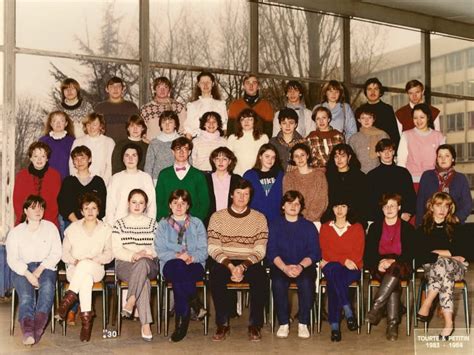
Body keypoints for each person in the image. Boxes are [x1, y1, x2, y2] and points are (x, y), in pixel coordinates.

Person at [207, 178, 268, 342]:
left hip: (249, 261)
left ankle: (255, 325)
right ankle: (222, 324)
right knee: (215, 276)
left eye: (246, 194)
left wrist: (243, 266)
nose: (242, 197)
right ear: (231, 195)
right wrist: (230, 266)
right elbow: (213, 247)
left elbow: (260, 249)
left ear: (250, 197)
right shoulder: (217, 217)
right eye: (238, 193)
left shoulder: (259, 218)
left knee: (261, 277)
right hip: (225, 261)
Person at [56, 192, 113, 342]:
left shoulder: (106, 229)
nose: (90, 211)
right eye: (86, 208)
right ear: (81, 211)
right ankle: (86, 325)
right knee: (86, 280)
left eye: (93, 208)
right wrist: (75, 261)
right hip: (74, 269)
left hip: (97, 268)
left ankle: (66, 302)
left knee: (87, 268)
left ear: (98, 211)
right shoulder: (72, 228)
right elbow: (64, 253)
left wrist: (95, 259)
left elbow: (110, 253)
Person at [6, 195, 62, 346]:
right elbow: (12, 259)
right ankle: (28, 330)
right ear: (25, 210)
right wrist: (28, 274)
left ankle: (35, 330)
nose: (38, 210)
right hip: (22, 270)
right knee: (26, 296)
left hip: (46, 267)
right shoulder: (16, 232)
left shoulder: (51, 228)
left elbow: (56, 253)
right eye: (33, 207)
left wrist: (39, 270)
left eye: (41, 207)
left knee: (48, 289)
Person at [155, 189, 208, 342]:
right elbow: (160, 250)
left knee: (180, 279)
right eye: (175, 203)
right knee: (178, 266)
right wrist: (178, 256)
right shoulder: (163, 225)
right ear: (170, 205)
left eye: (183, 203)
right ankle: (195, 303)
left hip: (194, 264)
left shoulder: (197, 223)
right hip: (170, 265)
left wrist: (192, 257)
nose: (179, 206)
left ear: (188, 205)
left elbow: (204, 250)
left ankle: (182, 323)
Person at [416, 192, 470, 340]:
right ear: (431, 207)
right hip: (433, 270)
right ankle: (448, 324)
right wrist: (449, 254)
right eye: (438, 205)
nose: (442, 209)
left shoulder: (456, 228)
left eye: (446, 206)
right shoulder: (422, 229)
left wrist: (435, 253)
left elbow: (465, 251)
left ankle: (427, 302)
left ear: (450, 208)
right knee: (444, 271)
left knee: (443, 265)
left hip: (456, 269)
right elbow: (420, 254)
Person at [267, 191, 320, 339]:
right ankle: (284, 323)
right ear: (283, 206)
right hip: (281, 266)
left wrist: (300, 267)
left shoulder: (309, 227)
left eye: (297, 204)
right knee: (278, 282)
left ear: (301, 207)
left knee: (306, 282)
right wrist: (284, 267)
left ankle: (303, 323)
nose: (293, 206)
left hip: (303, 266)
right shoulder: (275, 225)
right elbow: (271, 251)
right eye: (290, 203)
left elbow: (314, 253)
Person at [364, 193, 416, 341]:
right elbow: (368, 253)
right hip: (379, 266)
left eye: (393, 205)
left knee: (395, 270)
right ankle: (392, 325)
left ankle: (376, 308)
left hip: (401, 263)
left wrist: (392, 261)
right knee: (393, 279)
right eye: (386, 206)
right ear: (382, 209)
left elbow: (410, 253)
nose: (389, 209)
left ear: (399, 208)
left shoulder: (407, 228)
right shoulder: (375, 227)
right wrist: (378, 263)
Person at [112, 189, 158, 342]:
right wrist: (133, 255)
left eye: (141, 203)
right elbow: (116, 250)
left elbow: (158, 247)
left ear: (145, 206)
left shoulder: (152, 223)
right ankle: (145, 324)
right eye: (134, 202)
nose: (137, 206)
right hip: (125, 264)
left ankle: (130, 300)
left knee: (143, 264)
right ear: (128, 203)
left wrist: (146, 253)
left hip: (148, 262)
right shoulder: (119, 224)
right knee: (142, 280)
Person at [319, 199, 365, 342]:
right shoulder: (325, 228)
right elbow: (325, 253)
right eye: (336, 206)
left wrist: (338, 258)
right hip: (335, 266)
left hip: (352, 268)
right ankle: (348, 310)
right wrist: (344, 260)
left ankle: (335, 327)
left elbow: (357, 254)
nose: (339, 209)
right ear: (332, 209)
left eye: (343, 206)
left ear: (348, 208)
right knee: (335, 271)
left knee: (333, 282)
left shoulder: (357, 228)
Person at [155, 137, 210, 221]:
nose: (181, 152)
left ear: (189, 152)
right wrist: (164, 220)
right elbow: (158, 201)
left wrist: (195, 222)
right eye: (178, 149)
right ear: (173, 152)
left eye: (185, 149)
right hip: (168, 223)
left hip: (192, 224)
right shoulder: (164, 174)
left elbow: (204, 202)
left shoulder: (198, 175)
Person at [416, 144, 472, 226]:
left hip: (453, 225)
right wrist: (419, 224)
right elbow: (420, 203)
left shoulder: (460, 178)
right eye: (440, 156)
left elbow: (468, 204)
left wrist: (456, 218)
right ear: (437, 159)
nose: (443, 159)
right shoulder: (427, 176)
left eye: (447, 156)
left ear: (453, 159)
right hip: (429, 224)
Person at [397, 103, 445, 190]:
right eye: (415, 118)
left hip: (433, 180)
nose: (418, 121)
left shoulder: (438, 136)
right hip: (412, 181)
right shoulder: (406, 135)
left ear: (428, 117)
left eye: (422, 117)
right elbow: (401, 161)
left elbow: (443, 161)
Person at [106, 143, 156, 226]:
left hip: (141, 225)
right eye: (127, 155)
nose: (130, 158)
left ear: (139, 158)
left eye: (134, 155)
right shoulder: (115, 178)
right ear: (123, 159)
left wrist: (150, 225)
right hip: (119, 225)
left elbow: (151, 206)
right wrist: (111, 226)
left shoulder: (146, 177)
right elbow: (110, 206)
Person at [366, 139, 416, 222]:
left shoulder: (403, 173)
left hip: (401, 218)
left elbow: (410, 196)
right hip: (379, 219)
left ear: (393, 152)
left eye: (390, 150)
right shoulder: (372, 176)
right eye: (383, 151)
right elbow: (370, 202)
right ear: (378, 153)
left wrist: (408, 212)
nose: (387, 154)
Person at [13, 141, 61, 227]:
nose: (39, 159)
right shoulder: (21, 176)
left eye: (43, 156)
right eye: (35, 156)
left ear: (47, 158)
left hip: (49, 222)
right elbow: (17, 202)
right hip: (25, 222)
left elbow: (55, 202)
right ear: (30, 158)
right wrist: (27, 221)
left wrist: (45, 224)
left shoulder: (55, 176)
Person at [58, 145, 107, 228]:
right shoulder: (68, 181)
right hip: (73, 223)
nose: (79, 162)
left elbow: (102, 206)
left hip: (94, 224)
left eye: (82, 158)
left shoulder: (98, 181)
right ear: (73, 162)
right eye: (76, 159)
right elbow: (64, 206)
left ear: (89, 159)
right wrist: (77, 224)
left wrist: (89, 224)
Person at [283, 143, 328, 229]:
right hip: (294, 220)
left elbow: (322, 202)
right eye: (296, 156)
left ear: (307, 155)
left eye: (302, 155)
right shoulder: (289, 177)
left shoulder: (319, 175)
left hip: (315, 222)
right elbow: (289, 201)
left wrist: (307, 220)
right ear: (293, 159)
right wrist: (299, 219)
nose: (300, 158)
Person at [324, 143, 368, 227]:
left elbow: (363, 202)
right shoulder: (328, 176)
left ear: (349, 157)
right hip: (333, 218)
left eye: (343, 156)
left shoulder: (360, 177)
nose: (339, 160)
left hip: (355, 218)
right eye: (336, 157)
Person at [69, 112, 116, 185]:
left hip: (101, 184)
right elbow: (72, 164)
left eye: (94, 124)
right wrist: (77, 182)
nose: (91, 128)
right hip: (80, 182)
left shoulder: (109, 142)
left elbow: (110, 167)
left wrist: (103, 184)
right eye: (88, 124)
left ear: (100, 126)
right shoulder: (78, 141)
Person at [243, 144, 284, 223]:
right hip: (254, 221)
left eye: (273, 157)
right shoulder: (249, 175)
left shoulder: (280, 175)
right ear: (260, 156)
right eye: (267, 156)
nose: (270, 160)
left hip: (275, 221)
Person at [356, 78, 400, 147]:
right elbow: (357, 133)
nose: (372, 92)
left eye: (376, 89)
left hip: (384, 149)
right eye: (369, 89)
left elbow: (394, 135)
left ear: (380, 92)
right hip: (365, 148)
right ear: (365, 92)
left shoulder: (387, 109)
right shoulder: (360, 110)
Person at [94, 76, 139, 143]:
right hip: (105, 145)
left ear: (123, 89)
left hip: (126, 146)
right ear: (107, 89)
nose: (115, 89)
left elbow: (138, 127)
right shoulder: (99, 108)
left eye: (118, 86)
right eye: (112, 87)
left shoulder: (131, 107)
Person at [185, 71, 228, 138]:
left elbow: (224, 127)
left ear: (213, 84)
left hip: (217, 142)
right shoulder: (192, 106)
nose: (205, 85)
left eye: (208, 82)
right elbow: (189, 131)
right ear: (198, 84)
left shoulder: (220, 104)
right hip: (198, 142)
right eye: (202, 82)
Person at [227, 108, 269, 176]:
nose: (246, 122)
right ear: (239, 122)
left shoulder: (263, 137)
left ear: (255, 121)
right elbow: (228, 159)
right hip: (238, 175)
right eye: (243, 119)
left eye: (250, 119)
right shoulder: (232, 138)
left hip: (258, 175)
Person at [144, 110, 182, 185]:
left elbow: (189, 163)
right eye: (164, 122)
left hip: (179, 179)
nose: (167, 125)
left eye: (170, 122)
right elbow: (148, 166)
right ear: (160, 125)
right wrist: (149, 184)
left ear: (175, 124)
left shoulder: (182, 142)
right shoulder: (154, 143)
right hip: (158, 181)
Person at [205, 147, 242, 220]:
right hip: (211, 220)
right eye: (217, 159)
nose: (220, 162)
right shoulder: (206, 179)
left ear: (230, 161)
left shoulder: (236, 179)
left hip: (232, 220)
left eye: (224, 159)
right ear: (213, 161)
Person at [348, 107, 389, 174]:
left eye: (369, 117)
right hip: (360, 174)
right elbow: (351, 160)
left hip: (381, 173)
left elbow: (388, 155)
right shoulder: (353, 138)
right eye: (363, 118)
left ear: (373, 119)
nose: (366, 120)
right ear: (359, 120)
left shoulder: (383, 135)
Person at [38, 110, 75, 180]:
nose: (58, 123)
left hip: (66, 178)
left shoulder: (72, 141)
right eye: (55, 121)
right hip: (47, 179)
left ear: (66, 123)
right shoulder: (43, 141)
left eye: (61, 121)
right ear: (51, 124)